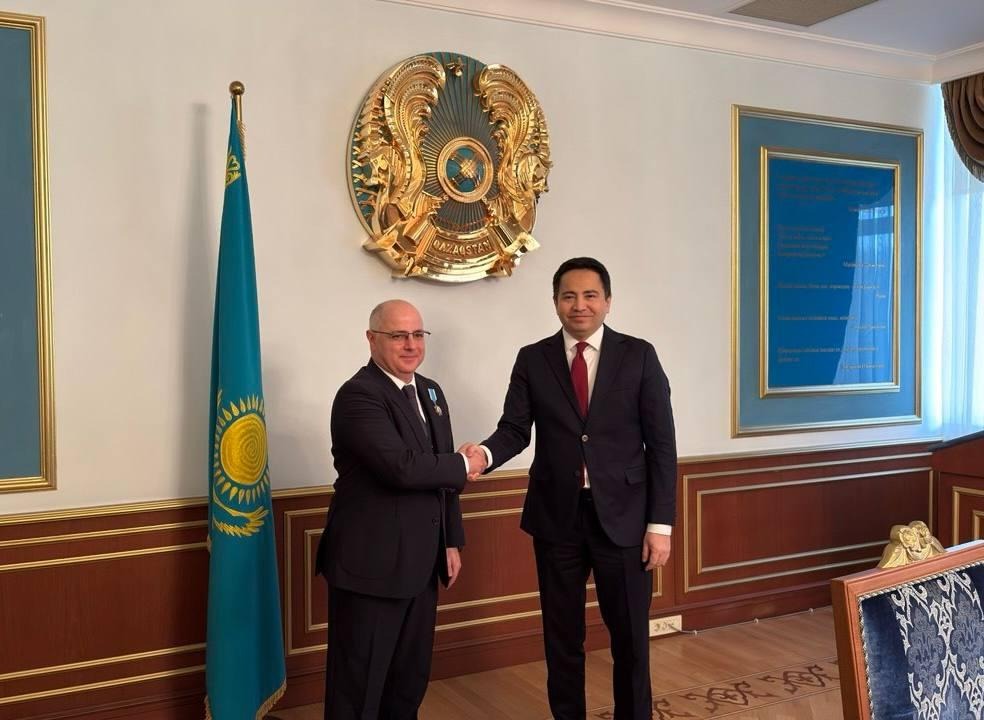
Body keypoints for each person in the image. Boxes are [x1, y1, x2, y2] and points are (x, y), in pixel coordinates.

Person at [469, 257, 677, 720]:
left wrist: (659, 525)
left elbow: (662, 445)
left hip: (625, 519)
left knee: (630, 640)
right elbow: (514, 430)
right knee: (561, 639)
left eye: (589, 295)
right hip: (556, 519)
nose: (579, 305)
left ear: (607, 301)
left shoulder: (639, 355)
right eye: (568, 296)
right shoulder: (533, 358)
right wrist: (482, 455)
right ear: (555, 302)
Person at [315, 299, 486, 720]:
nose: (411, 345)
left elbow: (440, 475)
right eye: (398, 336)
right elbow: (402, 468)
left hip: (422, 563)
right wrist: (464, 464)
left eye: (417, 335)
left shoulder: (430, 391)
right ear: (372, 339)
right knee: (359, 689)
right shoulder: (358, 395)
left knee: (408, 682)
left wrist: (451, 540)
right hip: (371, 567)